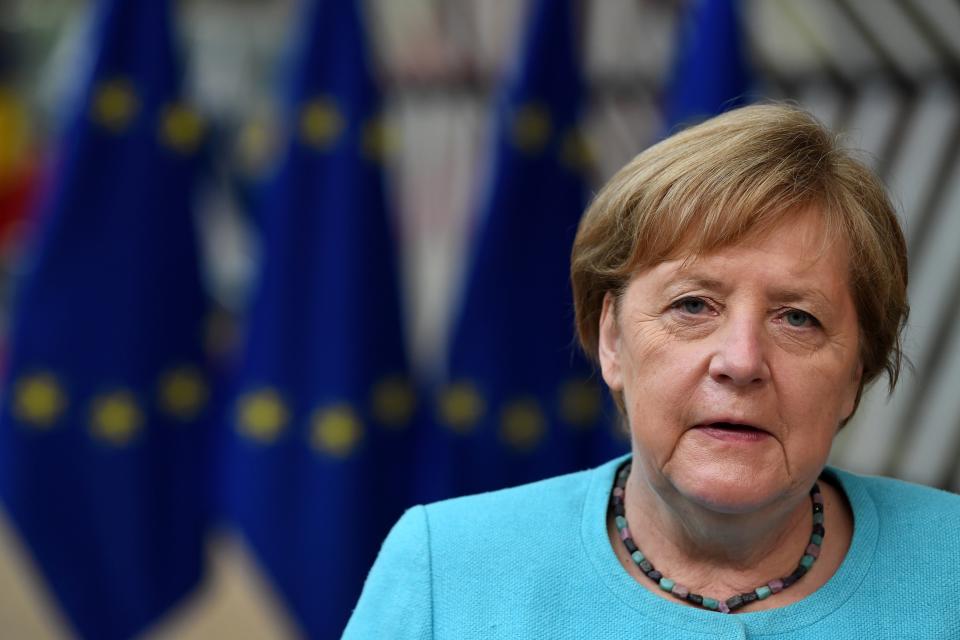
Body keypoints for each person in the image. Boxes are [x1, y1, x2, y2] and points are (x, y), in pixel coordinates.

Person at [342, 104, 960, 638]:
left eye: (797, 318)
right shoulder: (445, 569)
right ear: (612, 339)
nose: (741, 362)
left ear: (855, 372)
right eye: (692, 306)